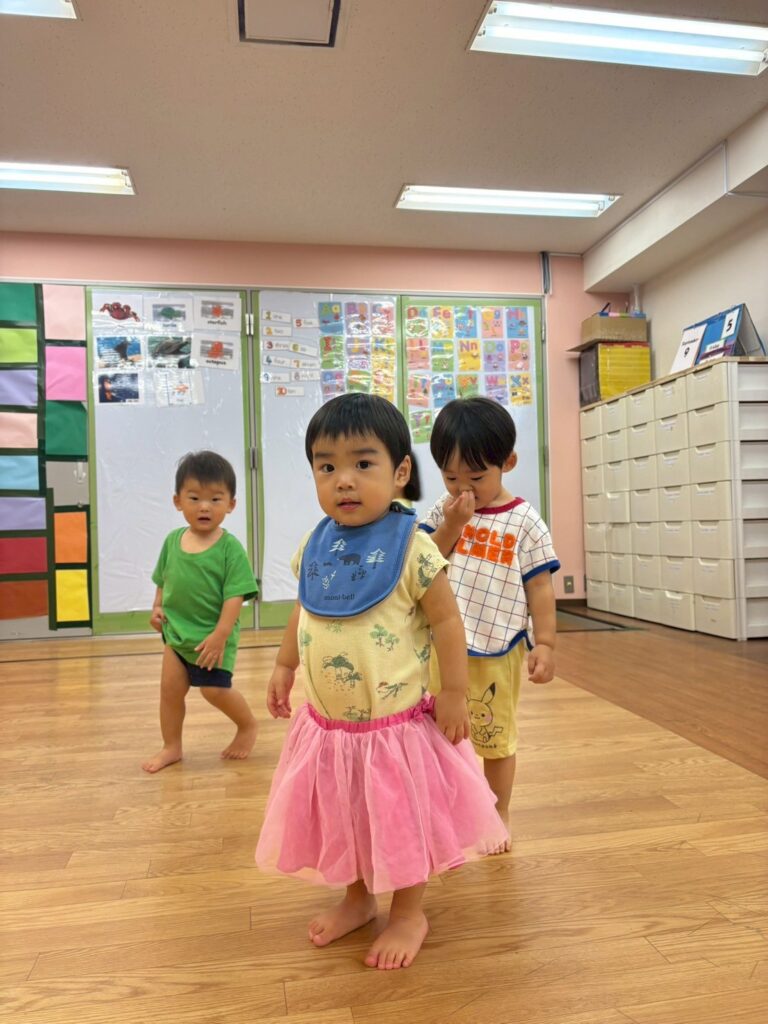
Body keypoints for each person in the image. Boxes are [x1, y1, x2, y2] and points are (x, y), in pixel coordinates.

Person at [255, 393, 508, 970]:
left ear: (399, 473)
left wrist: (454, 693)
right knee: (347, 816)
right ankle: (358, 898)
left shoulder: (413, 547)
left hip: (393, 734)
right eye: (326, 466)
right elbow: (306, 606)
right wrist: (284, 665)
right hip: (330, 731)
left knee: (399, 821)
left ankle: (408, 912)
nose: (343, 480)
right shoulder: (316, 543)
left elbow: (447, 621)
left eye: (362, 463)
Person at [420, 396, 559, 846]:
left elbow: (540, 586)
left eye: (476, 477)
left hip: (498, 649)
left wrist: (546, 642)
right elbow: (423, 561)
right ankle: (445, 812)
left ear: (508, 463)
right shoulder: (443, 511)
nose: (463, 487)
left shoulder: (524, 520)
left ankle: (498, 813)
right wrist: (452, 526)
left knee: (495, 738)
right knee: (438, 736)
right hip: (442, 649)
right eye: (451, 476)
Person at [142, 450, 259, 773]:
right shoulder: (172, 541)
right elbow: (163, 580)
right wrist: (156, 607)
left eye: (215, 499)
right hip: (177, 635)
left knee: (213, 690)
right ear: (178, 501)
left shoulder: (230, 548)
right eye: (194, 498)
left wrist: (221, 635)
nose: (204, 507)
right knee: (170, 691)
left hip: (212, 638)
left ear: (230, 504)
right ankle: (172, 746)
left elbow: (235, 595)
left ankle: (247, 725)